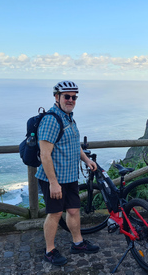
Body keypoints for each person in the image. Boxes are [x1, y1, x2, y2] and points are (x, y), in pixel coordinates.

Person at [35, 81, 99, 266]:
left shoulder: (68, 117)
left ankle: (78, 243)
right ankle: (49, 250)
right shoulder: (51, 120)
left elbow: (73, 144)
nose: (71, 100)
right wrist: (53, 182)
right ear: (57, 97)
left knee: (73, 210)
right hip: (53, 178)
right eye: (66, 96)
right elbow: (45, 154)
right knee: (55, 214)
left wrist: (86, 160)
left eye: (73, 97)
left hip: (70, 176)